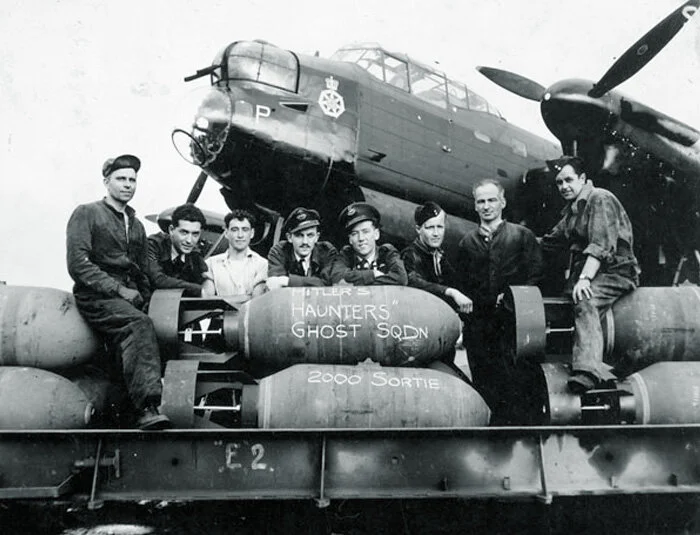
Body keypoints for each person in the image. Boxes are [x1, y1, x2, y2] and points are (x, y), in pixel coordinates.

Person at [66, 154, 170, 430]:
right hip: (96, 296)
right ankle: (147, 407)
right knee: (138, 325)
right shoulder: (87, 213)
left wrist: (145, 298)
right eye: (121, 179)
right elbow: (78, 264)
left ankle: (122, 417)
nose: (127, 185)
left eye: (132, 180)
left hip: (128, 297)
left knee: (151, 331)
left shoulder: (136, 225)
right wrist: (118, 289)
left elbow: (142, 271)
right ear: (106, 182)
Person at [542, 156, 639, 393]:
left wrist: (584, 279)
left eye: (568, 180)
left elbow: (601, 245)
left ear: (583, 178)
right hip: (593, 272)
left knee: (585, 300)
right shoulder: (572, 212)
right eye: (559, 182)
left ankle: (588, 372)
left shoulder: (600, 198)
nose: (564, 186)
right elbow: (549, 242)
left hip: (616, 271)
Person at [457, 178, 543, 422]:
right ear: (475, 206)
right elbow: (463, 285)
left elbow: (536, 275)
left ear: (502, 202)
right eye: (481, 201)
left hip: (515, 325)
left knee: (520, 384)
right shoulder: (466, 243)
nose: (486, 206)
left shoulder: (522, 236)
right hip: (480, 329)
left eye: (492, 200)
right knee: (486, 386)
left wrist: (514, 298)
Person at [401, 201, 472, 313]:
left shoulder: (439, 255)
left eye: (440, 227)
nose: (436, 233)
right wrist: (450, 291)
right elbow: (413, 281)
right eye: (430, 228)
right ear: (418, 229)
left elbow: (457, 283)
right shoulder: (410, 254)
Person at [330, 202, 407, 286]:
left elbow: (400, 279)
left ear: (376, 234)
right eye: (354, 234)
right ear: (350, 239)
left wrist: (357, 281)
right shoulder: (346, 255)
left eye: (365, 232)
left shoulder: (386, 252)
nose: (361, 238)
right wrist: (372, 274)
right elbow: (336, 277)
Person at [148, 203, 211, 297]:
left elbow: (206, 278)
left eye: (195, 234)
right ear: (171, 230)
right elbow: (157, 279)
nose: (189, 240)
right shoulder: (153, 245)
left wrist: (207, 285)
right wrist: (198, 290)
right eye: (184, 232)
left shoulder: (194, 254)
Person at [267, 207, 338, 289]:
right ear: (289, 237)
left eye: (310, 235)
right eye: (299, 235)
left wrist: (288, 281)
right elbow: (275, 285)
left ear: (317, 237)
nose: (305, 242)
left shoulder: (327, 251)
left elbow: (329, 284)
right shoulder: (279, 251)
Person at [203, 209, 268, 297]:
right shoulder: (211, 263)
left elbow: (257, 300)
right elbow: (207, 299)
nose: (240, 235)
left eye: (245, 230)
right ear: (226, 233)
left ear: (252, 233)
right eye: (234, 230)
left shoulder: (262, 264)